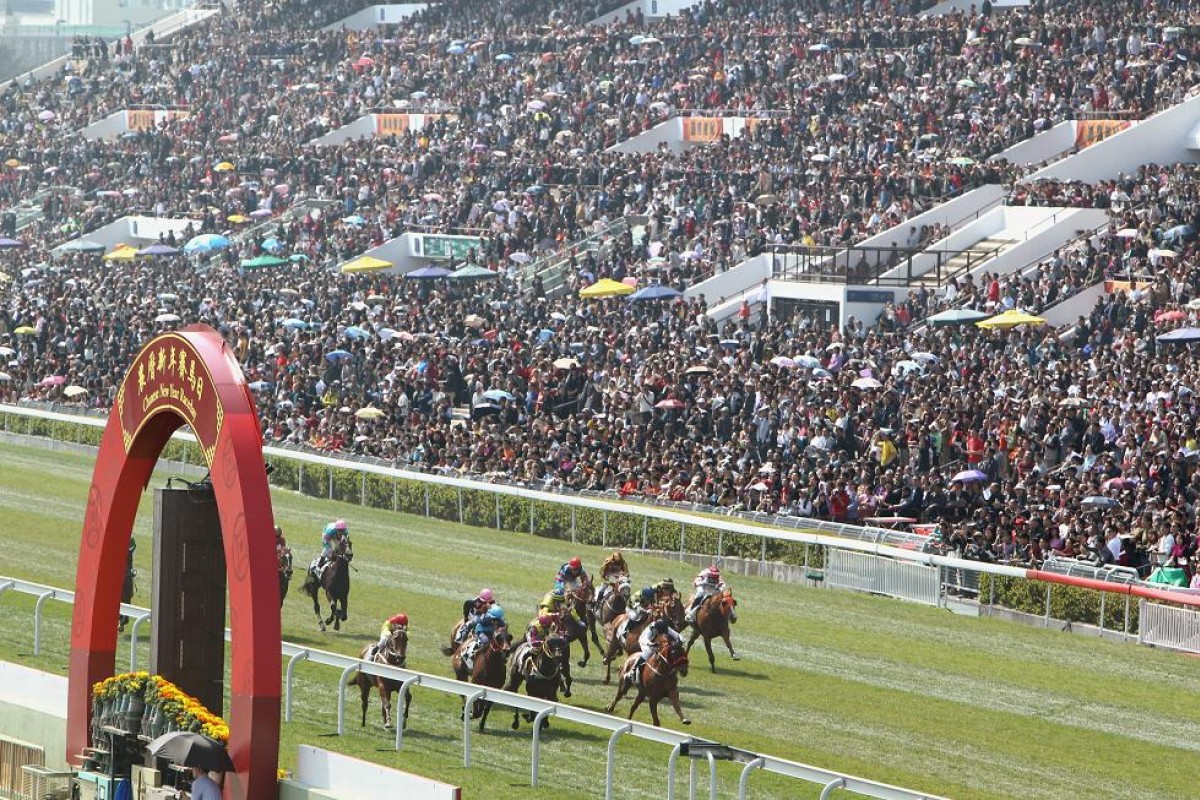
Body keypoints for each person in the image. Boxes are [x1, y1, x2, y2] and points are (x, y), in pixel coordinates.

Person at [628, 618, 682, 689]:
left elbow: (678, 636)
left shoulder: (665, 627)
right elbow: (645, 639)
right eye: (661, 632)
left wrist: (679, 641)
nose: (663, 634)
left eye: (664, 632)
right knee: (648, 652)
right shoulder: (650, 629)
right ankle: (633, 670)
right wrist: (651, 644)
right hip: (645, 642)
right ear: (656, 629)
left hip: (659, 643)